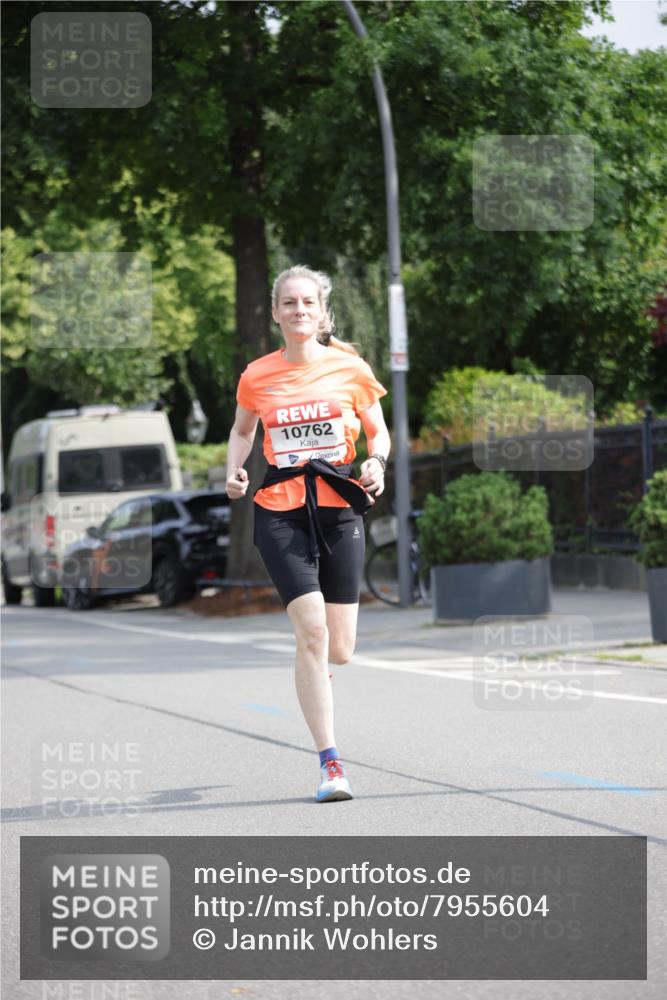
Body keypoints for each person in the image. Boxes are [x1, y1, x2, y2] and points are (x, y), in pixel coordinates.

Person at [225, 265, 391, 803]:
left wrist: (378, 462)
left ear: (322, 312)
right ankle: (331, 764)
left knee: (338, 650)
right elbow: (242, 430)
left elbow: (377, 429)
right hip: (280, 508)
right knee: (312, 631)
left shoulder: (351, 368)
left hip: (339, 505)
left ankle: (316, 674)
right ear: (275, 313)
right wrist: (235, 471)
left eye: (308, 303)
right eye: (289, 303)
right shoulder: (257, 375)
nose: (299, 310)